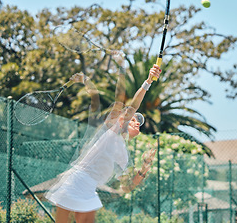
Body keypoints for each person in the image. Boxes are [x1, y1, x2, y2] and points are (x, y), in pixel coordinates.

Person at [45, 51, 162, 223]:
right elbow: (133, 104)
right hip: (75, 183)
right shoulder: (113, 133)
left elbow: (127, 186)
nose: (137, 122)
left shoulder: (123, 154)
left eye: (139, 122)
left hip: (89, 190)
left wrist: (144, 168)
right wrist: (148, 81)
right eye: (133, 119)